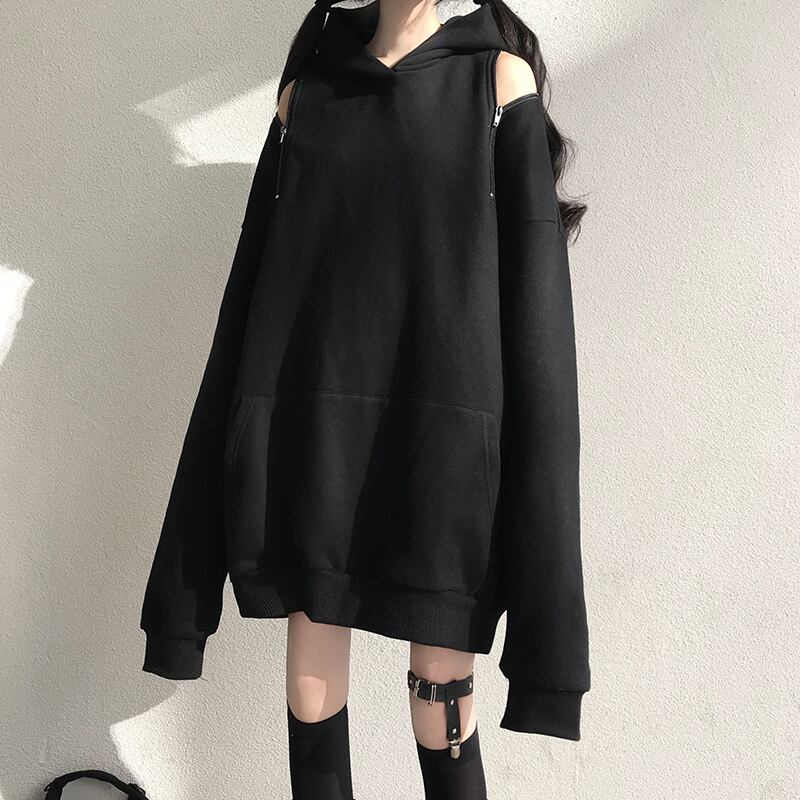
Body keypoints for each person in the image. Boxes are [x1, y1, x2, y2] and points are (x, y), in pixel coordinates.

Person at [139, 1, 591, 798]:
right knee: (313, 672)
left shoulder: (496, 85)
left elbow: (539, 322)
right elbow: (251, 299)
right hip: (316, 450)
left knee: (441, 689)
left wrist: (548, 629)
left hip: (446, 463)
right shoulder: (310, 94)